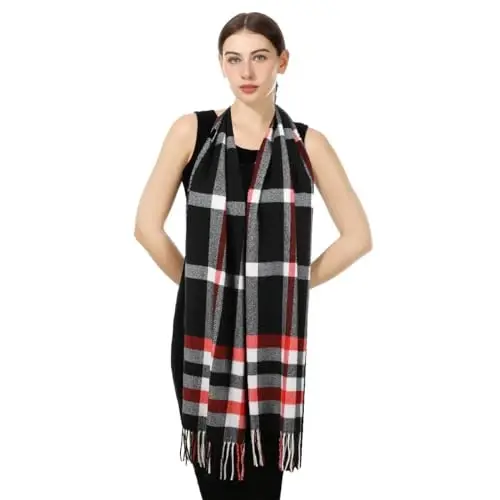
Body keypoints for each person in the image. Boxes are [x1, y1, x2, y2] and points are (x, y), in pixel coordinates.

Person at [134, 11, 372, 500]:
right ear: (220, 64)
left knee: (263, 485)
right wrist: (201, 284)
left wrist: (286, 282)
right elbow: (146, 228)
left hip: (271, 335)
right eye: (234, 59)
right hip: (202, 329)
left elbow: (357, 237)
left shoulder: (308, 144)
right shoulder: (192, 132)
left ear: (282, 62)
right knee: (216, 484)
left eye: (260, 58)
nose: (246, 72)